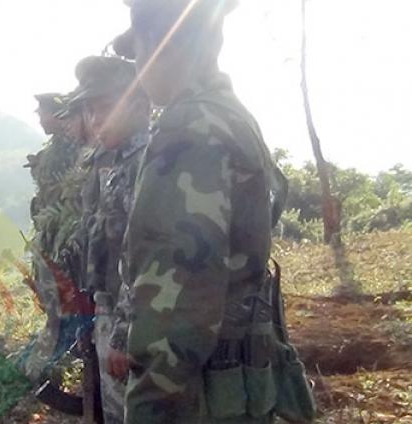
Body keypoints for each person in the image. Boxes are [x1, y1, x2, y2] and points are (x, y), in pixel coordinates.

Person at [108, 0, 314, 422]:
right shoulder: (233, 117)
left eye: (139, 53)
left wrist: (151, 409)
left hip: (204, 395)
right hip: (243, 384)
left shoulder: (189, 126)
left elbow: (174, 308)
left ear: (158, 45)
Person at [70, 55, 150, 423]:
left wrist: (122, 333)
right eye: (90, 110)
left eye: (105, 107)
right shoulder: (114, 162)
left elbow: (146, 253)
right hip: (108, 308)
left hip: (133, 321)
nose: (96, 120)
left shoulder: (145, 162)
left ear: (135, 103)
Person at [17, 93, 89, 384]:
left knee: (67, 296)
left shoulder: (72, 146)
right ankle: (56, 348)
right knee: (52, 297)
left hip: (67, 234)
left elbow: (72, 187)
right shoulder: (56, 147)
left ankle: (65, 352)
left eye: (41, 112)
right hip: (51, 233)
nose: (38, 117)